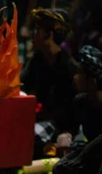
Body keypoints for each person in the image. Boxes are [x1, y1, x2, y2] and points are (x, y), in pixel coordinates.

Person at [20, 8, 77, 158]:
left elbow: (72, 111)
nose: (33, 33)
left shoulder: (68, 68)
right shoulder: (37, 60)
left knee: (26, 139)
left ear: (48, 34)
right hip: (37, 118)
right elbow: (22, 85)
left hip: (58, 125)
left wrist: (67, 133)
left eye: (37, 29)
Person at [56, 45, 102, 154]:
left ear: (92, 82)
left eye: (80, 73)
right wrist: (66, 136)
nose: (75, 77)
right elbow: (71, 126)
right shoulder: (80, 101)